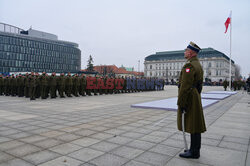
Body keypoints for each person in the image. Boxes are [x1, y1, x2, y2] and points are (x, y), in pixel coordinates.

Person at [177, 42, 206, 159]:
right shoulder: (197, 64)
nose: (184, 52)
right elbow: (200, 84)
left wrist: (182, 103)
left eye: (186, 50)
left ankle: (194, 152)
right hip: (195, 96)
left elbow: (185, 86)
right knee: (195, 123)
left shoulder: (189, 66)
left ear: (191, 52)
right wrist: (196, 94)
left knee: (193, 124)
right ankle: (194, 149)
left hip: (189, 97)